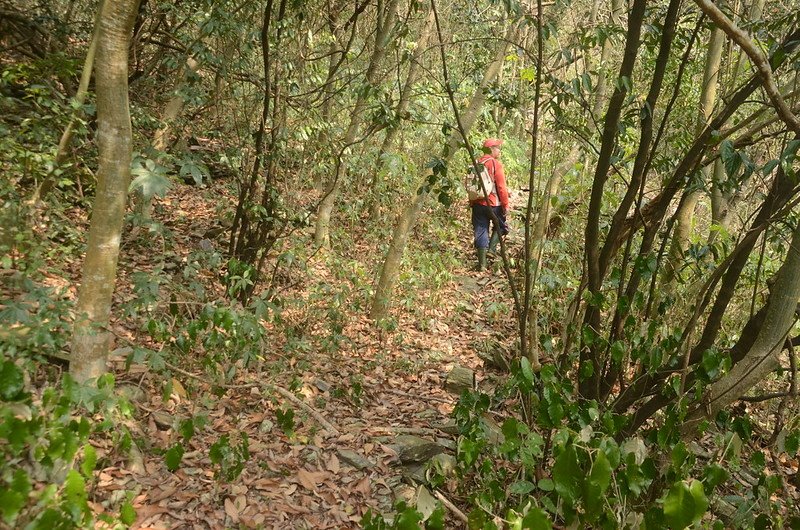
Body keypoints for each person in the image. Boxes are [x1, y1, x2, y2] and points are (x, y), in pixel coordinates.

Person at [470, 138, 509, 271]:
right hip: (493, 203)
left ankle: (482, 265)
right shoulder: (495, 164)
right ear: (491, 149)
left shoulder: (476, 163)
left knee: (480, 230)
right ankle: (491, 250)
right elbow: (501, 187)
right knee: (501, 226)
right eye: (498, 147)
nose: (499, 150)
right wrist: (505, 205)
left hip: (477, 203)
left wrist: (472, 202)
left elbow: (471, 186)